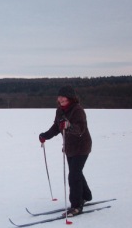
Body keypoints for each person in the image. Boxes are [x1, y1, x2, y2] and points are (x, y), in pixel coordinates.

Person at [39, 85, 92, 217]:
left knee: (74, 175)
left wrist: (68, 126)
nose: (61, 99)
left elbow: (80, 130)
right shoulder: (59, 111)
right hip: (69, 148)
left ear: (71, 98)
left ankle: (76, 205)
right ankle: (86, 195)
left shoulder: (78, 110)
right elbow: (56, 127)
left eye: (64, 97)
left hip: (82, 147)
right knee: (76, 172)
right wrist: (45, 135)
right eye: (60, 96)